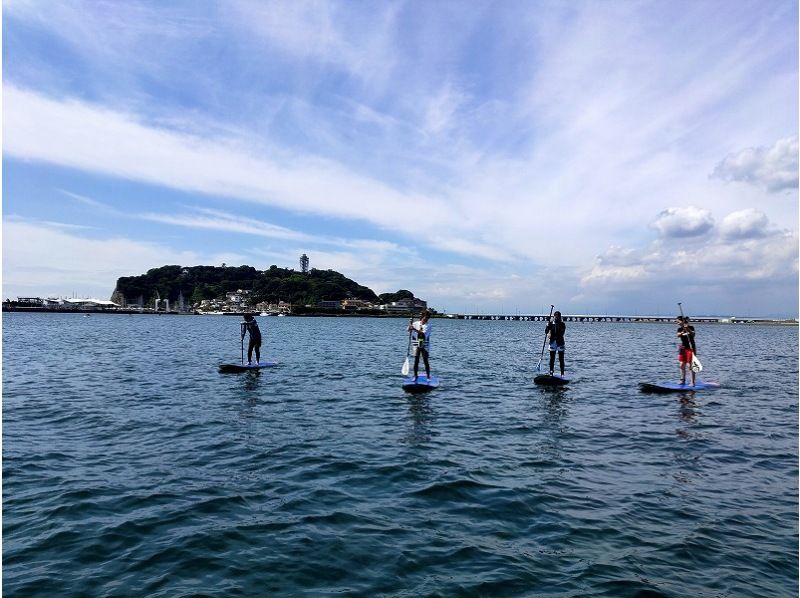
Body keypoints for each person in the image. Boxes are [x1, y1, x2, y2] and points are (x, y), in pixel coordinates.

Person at [407, 311, 432, 382]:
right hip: (416, 344)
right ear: (422, 317)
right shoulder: (415, 323)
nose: (426, 319)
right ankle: (415, 376)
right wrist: (410, 326)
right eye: (425, 318)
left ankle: (428, 376)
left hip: (425, 344)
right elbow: (408, 330)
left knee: (425, 361)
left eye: (427, 318)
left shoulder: (428, 326)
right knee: (416, 361)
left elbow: (423, 334)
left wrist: (414, 329)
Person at [677, 316, 697, 385]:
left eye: (678, 321)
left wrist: (687, 328)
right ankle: (682, 380)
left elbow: (693, 334)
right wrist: (683, 331)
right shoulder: (679, 329)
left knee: (689, 365)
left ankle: (692, 382)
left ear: (682, 321)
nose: (677, 322)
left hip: (690, 348)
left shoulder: (691, 327)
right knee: (681, 364)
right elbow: (678, 335)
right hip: (683, 347)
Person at [545, 310, 566, 377]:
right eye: (555, 316)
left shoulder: (562, 324)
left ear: (560, 317)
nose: (557, 317)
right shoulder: (550, 324)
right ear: (554, 317)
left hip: (560, 342)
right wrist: (547, 326)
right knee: (552, 358)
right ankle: (551, 372)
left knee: (561, 358)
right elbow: (546, 332)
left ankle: (562, 373)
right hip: (552, 342)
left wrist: (555, 325)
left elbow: (561, 333)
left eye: (558, 316)